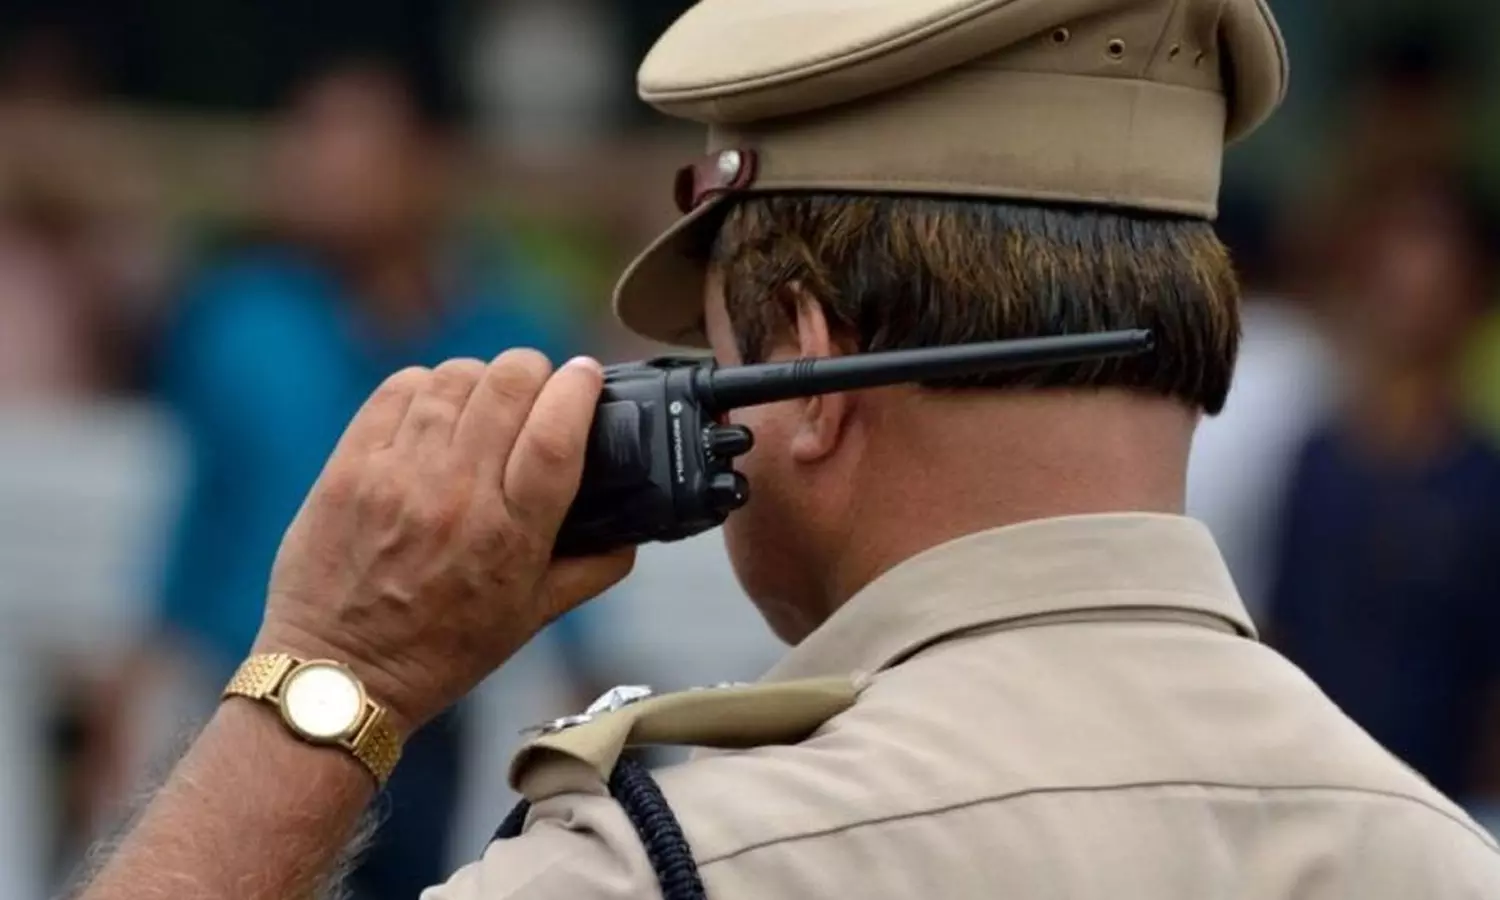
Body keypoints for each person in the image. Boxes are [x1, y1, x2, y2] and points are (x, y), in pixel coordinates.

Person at [68, 1, 1500, 899]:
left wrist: (330, 678)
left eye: (715, 357)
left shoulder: (674, 868)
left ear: (808, 367)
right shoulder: (1436, 853)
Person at [92, 58, 577, 900]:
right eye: (309, 136)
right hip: (242, 698)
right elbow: (196, 520)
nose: (324, 165)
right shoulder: (236, 320)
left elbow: (562, 533)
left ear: (428, 160)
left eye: (355, 138)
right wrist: (129, 694)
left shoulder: (511, 334)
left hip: (439, 712)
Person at [1265, 164, 1500, 810]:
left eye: (1429, 250)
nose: (1404, 279)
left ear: (1473, 290)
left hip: (1449, 816)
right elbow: (1284, 635)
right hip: (1316, 802)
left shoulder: (1482, 482)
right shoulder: (1317, 461)